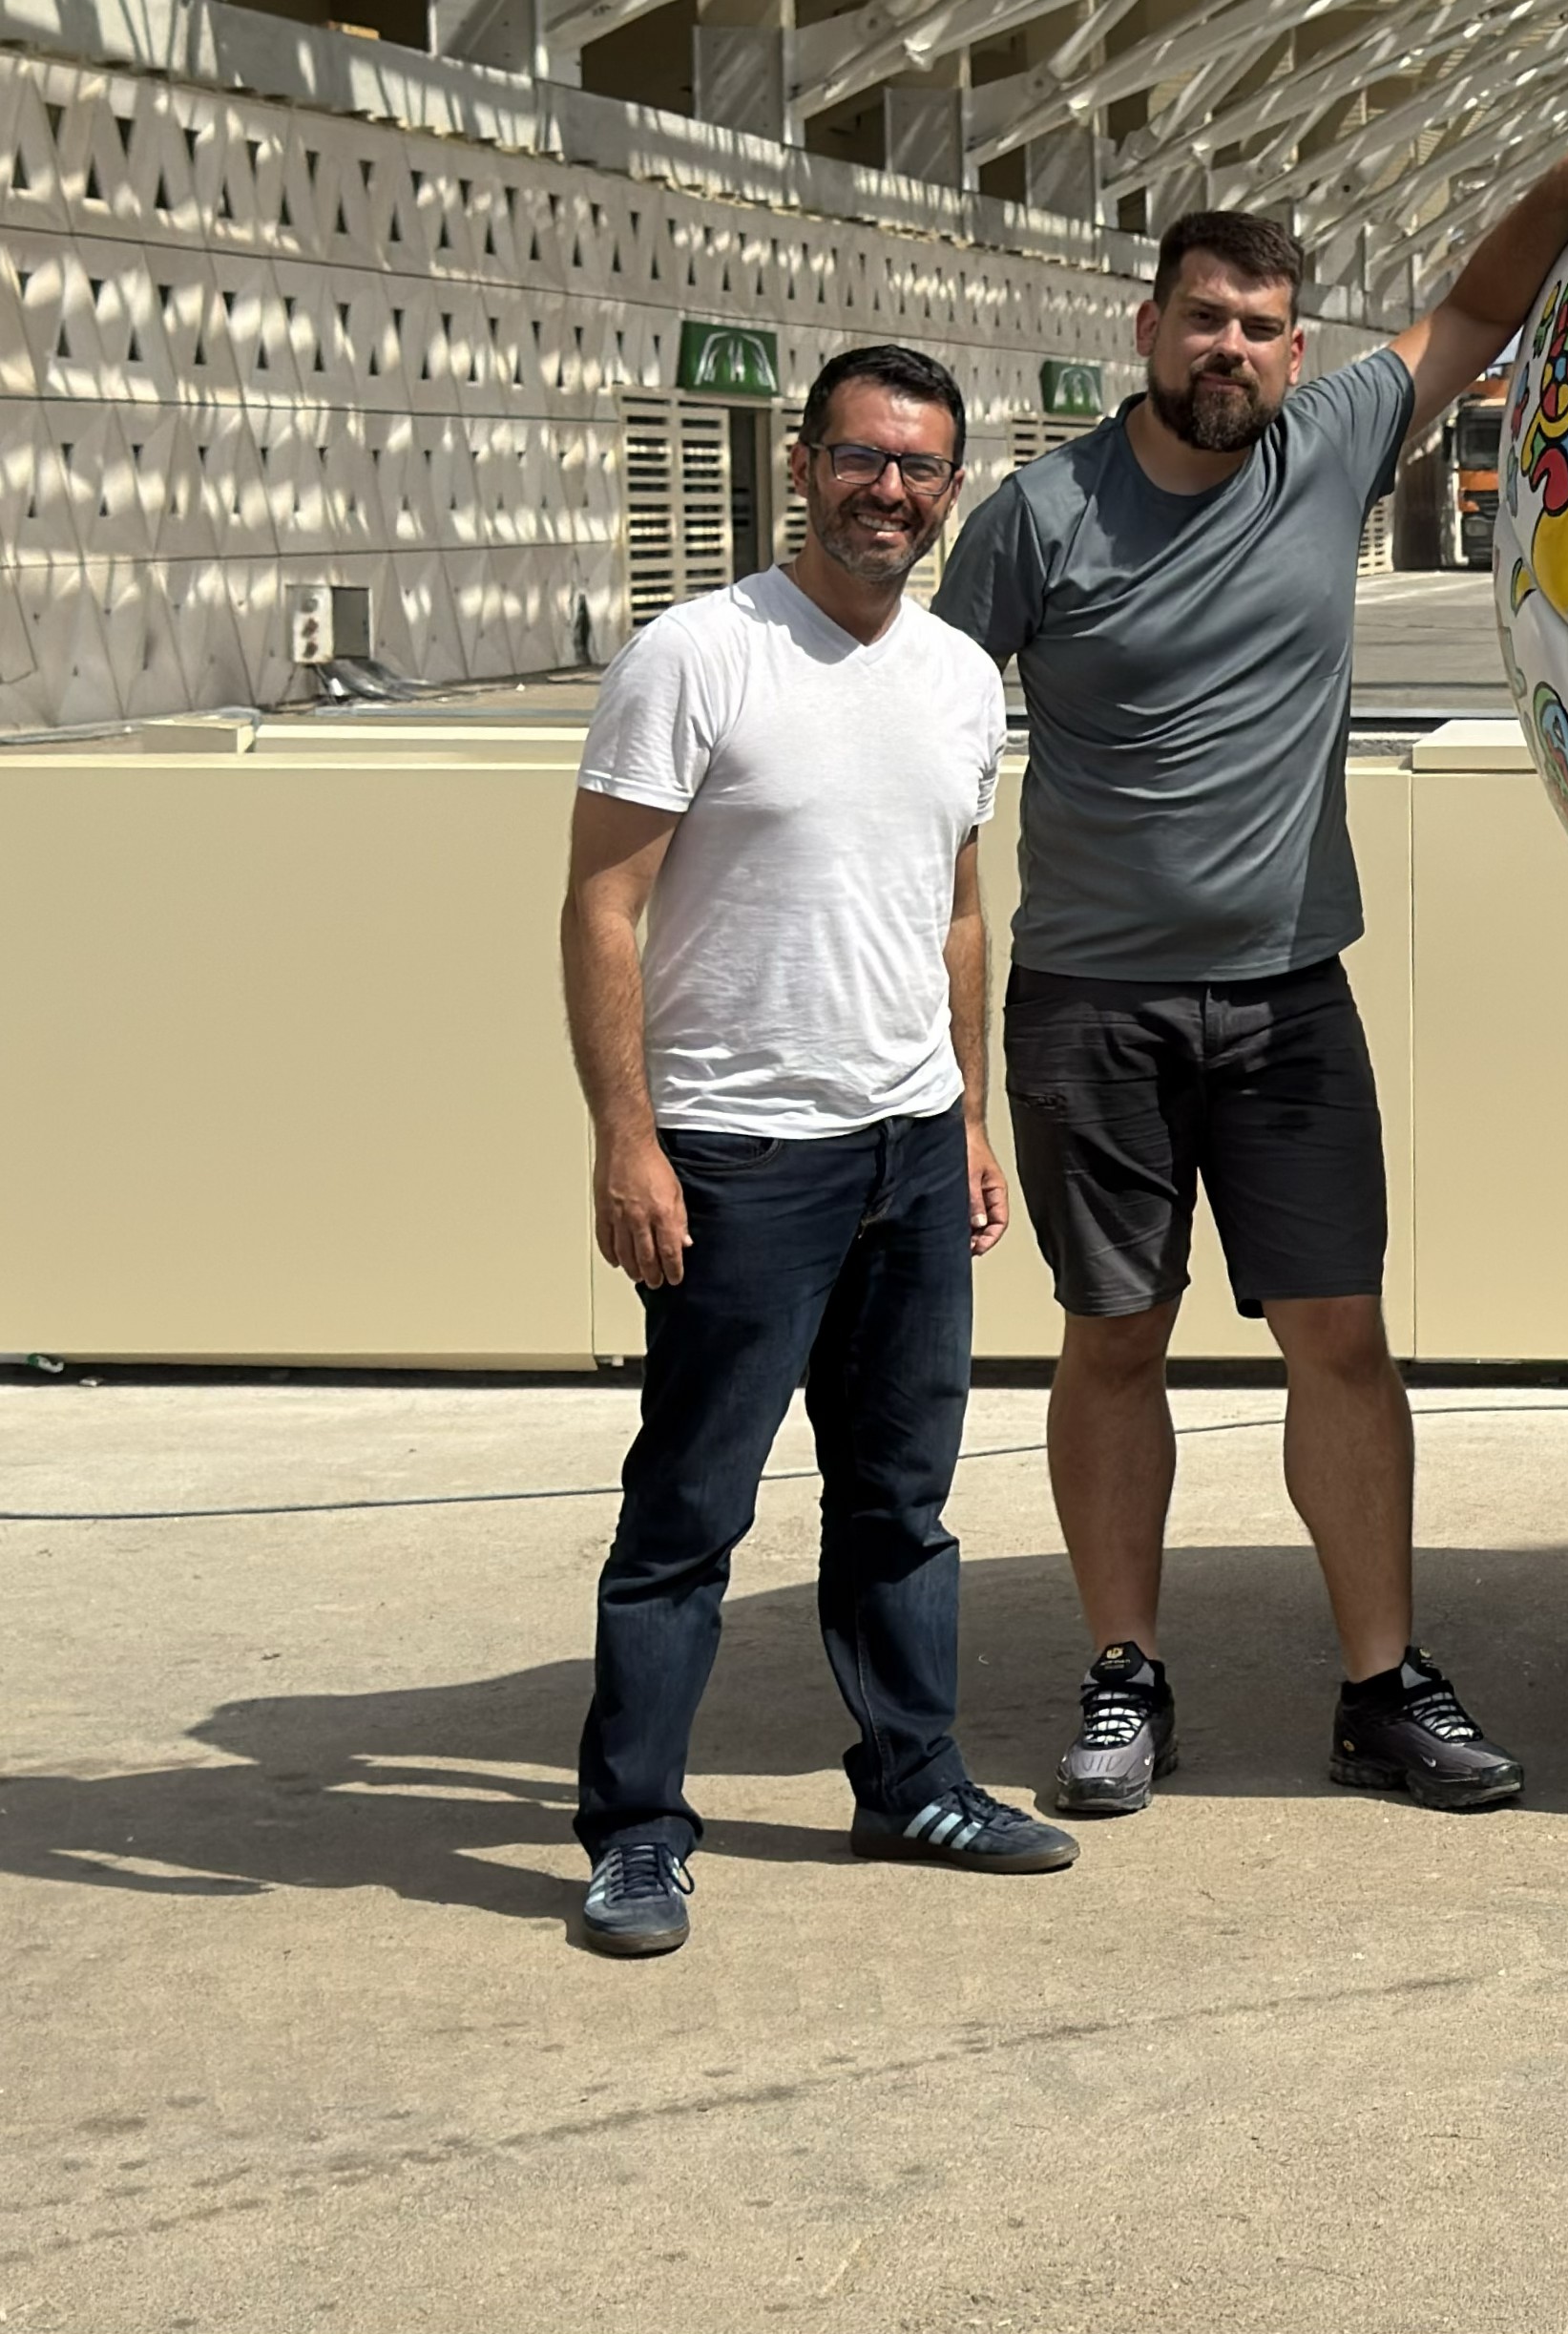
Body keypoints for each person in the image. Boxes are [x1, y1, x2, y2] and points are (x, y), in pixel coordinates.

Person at [936, 119, 1568, 1819]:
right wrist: (950, 1065)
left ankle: (1378, 1685)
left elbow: (1476, 310)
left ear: (1297, 345)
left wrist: (1561, 178)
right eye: (1205, 316)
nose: (1235, 349)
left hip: (1288, 997)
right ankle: (1125, 1673)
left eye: (1266, 324)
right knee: (1112, 1336)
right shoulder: (1037, 516)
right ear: (1146, 328)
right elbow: (919, 762)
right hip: (1088, 1007)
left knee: (1340, 1337)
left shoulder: (1333, 444)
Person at [560, 342, 1072, 1959]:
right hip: (735, 1154)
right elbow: (601, 904)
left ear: (950, 485)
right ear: (804, 464)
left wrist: (971, 1120)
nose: (891, 491)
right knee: (688, 1516)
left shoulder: (960, 675)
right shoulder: (697, 656)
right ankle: (637, 1828)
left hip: (909, 1148)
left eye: (921, 467)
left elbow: (960, 908)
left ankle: (909, 1776)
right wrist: (626, 1138)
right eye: (863, 458)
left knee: (902, 1501)